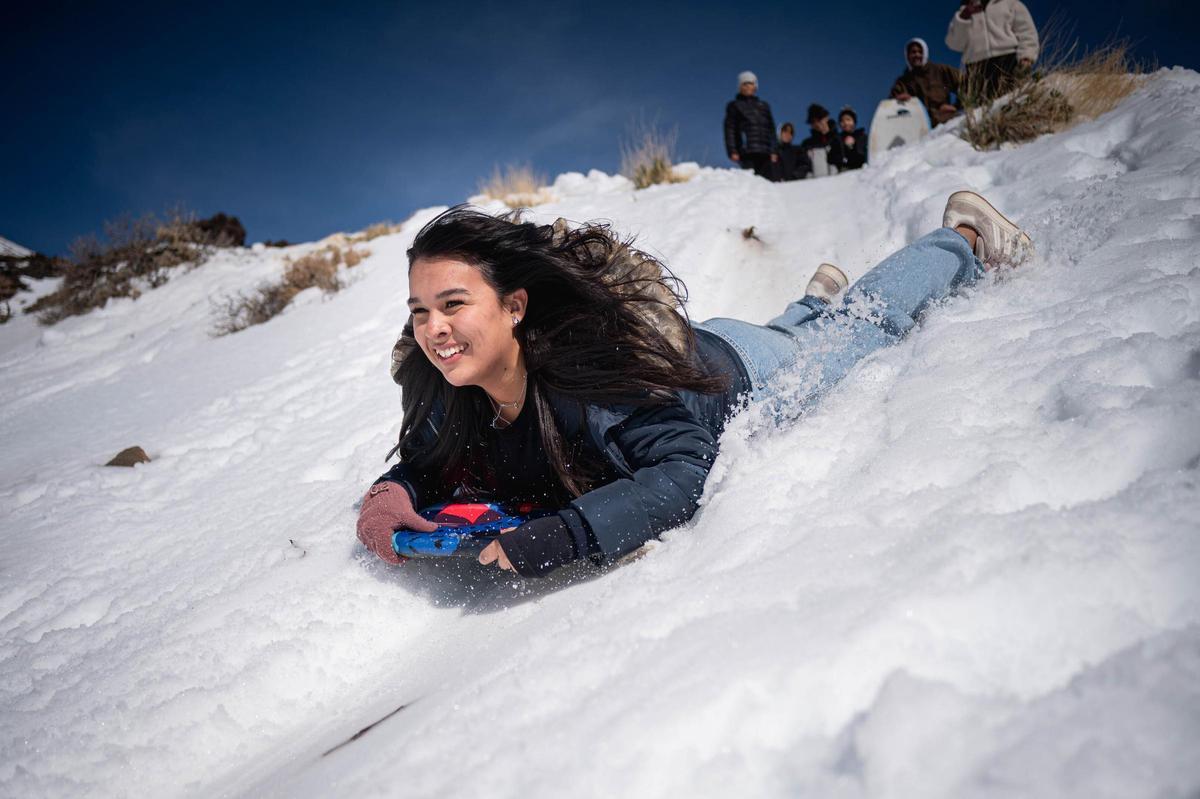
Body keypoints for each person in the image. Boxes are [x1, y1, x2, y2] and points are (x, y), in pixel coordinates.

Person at [356, 192, 1035, 578]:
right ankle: (810, 302)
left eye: (453, 304)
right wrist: (390, 499)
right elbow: (429, 463)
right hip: (695, 354)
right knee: (800, 332)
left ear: (514, 306)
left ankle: (962, 239)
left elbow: (682, 466)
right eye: (420, 312)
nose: (433, 329)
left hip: (738, 373)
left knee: (867, 328)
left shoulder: (593, 379)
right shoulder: (469, 394)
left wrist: (570, 533)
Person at [946, 0, 1039, 102]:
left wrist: (1027, 56)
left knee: (1016, 101)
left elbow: (1026, 32)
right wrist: (964, 16)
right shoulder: (964, 12)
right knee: (981, 110)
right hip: (976, 67)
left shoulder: (1011, 3)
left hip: (1008, 61)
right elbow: (954, 44)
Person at [891, 37, 963, 127]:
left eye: (920, 52)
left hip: (946, 124)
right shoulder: (903, 82)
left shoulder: (941, 70)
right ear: (907, 56)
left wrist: (956, 107)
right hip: (918, 129)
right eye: (913, 52)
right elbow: (889, 106)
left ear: (925, 53)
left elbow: (967, 84)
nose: (917, 55)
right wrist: (897, 100)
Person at [724, 71, 779, 180]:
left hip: (766, 152)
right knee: (750, 184)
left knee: (769, 184)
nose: (748, 86)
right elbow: (729, 129)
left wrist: (774, 150)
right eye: (745, 84)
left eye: (751, 83)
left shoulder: (764, 106)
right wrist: (732, 150)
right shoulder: (734, 106)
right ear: (740, 87)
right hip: (746, 152)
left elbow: (771, 129)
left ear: (755, 86)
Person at [799, 104, 845, 178]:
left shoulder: (838, 139)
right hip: (815, 186)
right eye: (813, 122)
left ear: (826, 117)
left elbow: (842, 162)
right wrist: (807, 176)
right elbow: (802, 166)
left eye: (819, 119)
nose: (817, 124)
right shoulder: (807, 145)